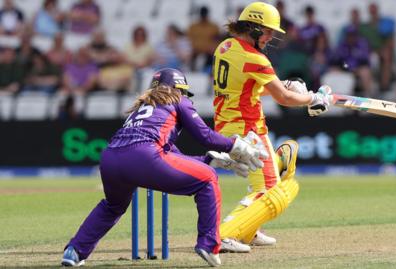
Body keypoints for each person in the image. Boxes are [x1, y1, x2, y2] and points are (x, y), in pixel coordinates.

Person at [60, 68, 267, 267]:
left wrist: (207, 160)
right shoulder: (178, 100)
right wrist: (236, 145)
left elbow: (171, 157)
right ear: (177, 88)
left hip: (110, 159)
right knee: (208, 179)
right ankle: (209, 244)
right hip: (144, 157)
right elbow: (205, 136)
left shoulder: (142, 109)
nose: (185, 96)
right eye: (184, 91)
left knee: (113, 206)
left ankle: (75, 251)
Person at [211, 2, 331, 252]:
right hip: (248, 129)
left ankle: (250, 229)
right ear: (253, 28)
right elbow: (283, 99)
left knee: (263, 183)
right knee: (268, 189)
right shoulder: (255, 58)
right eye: (267, 32)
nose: (270, 38)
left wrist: (282, 83)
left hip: (227, 127)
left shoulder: (224, 47)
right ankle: (226, 234)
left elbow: (247, 87)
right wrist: (312, 99)